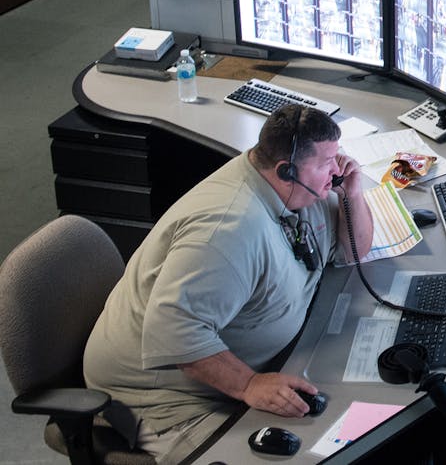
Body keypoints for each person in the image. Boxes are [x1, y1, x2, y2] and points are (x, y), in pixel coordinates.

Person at [83, 106, 372, 464]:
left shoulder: (295, 189)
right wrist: (248, 384)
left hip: (254, 361)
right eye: (327, 162)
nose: (338, 169)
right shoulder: (226, 232)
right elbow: (174, 333)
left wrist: (351, 196)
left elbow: (353, 250)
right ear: (286, 171)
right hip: (163, 397)